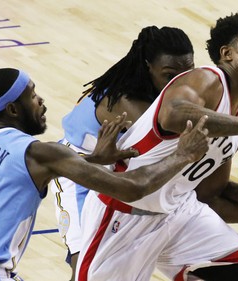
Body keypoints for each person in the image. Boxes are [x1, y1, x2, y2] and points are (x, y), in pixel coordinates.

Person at [75, 12, 238, 281]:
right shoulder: (207, 80)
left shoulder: (234, 119)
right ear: (227, 54)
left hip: (180, 214)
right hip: (123, 213)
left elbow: (209, 196)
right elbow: (173, 114)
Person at [0, 67, 210, 280]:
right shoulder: (39, 153)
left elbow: (17, 171)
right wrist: (183, 155)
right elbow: (133, 188)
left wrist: (93, 160)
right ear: (13, 110)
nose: (41, 101)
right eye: (33, 95)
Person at [50, 25, 195, 279]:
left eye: (187, 74)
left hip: (115, 172)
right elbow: (172, 150)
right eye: (170, 74)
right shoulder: (127, 102)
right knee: (84, 262)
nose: (179, 83)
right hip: (78, 172)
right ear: (148, 65)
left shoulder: (158, 91)